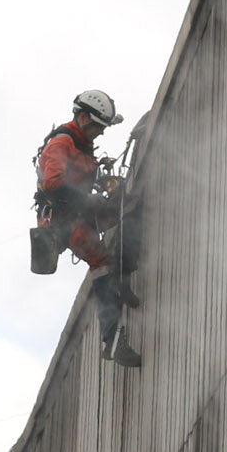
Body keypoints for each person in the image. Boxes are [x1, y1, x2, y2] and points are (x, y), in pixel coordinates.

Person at [34, 89, 143, 366]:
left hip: (82, 211)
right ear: (83, 117)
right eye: (98, 127)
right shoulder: (61, 143)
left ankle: (125, 277)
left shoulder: (81, 143)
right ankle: (113, 341)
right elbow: (53, 183)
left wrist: (100, 170)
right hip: (64, 222)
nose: (101, 134)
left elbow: (78, 173)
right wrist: (87, 198)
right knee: (100, 263)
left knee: (130, 207)